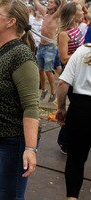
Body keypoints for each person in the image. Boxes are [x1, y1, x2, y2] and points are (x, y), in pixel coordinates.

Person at [0, 0, 39, 199]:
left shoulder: (21, 55)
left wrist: (30, 148)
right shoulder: (3, 50)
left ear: (11, 22)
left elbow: (31, 106)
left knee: (9, 195)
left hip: (12, 140)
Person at [55, 43, 91, 200]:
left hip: (81, 109)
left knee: (75, 159)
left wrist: (61, 107)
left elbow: (63, 83)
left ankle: (72, 197)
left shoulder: (83, 51)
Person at [56, 2, 85, 154]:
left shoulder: (78, 28)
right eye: (80, 10)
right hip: (71, 75)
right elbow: (64, 58)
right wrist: (83, 53)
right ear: (73, 15)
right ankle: (64, 139)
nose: (83, 12)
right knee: (75, 108)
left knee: (77, 108)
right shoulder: (64, 34)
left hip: (80, 73)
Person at [34, 0, 65, 102]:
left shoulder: (56, 15)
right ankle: (44, 89)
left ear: (56, 5)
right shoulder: (45, 13)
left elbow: (63, 5)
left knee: (48, 70)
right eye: (49, 2)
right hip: (41, 46)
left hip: (50, 47)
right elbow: (37, 3)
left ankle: (53, 92)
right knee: (40, 69)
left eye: (52, 2)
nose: (49, 4)